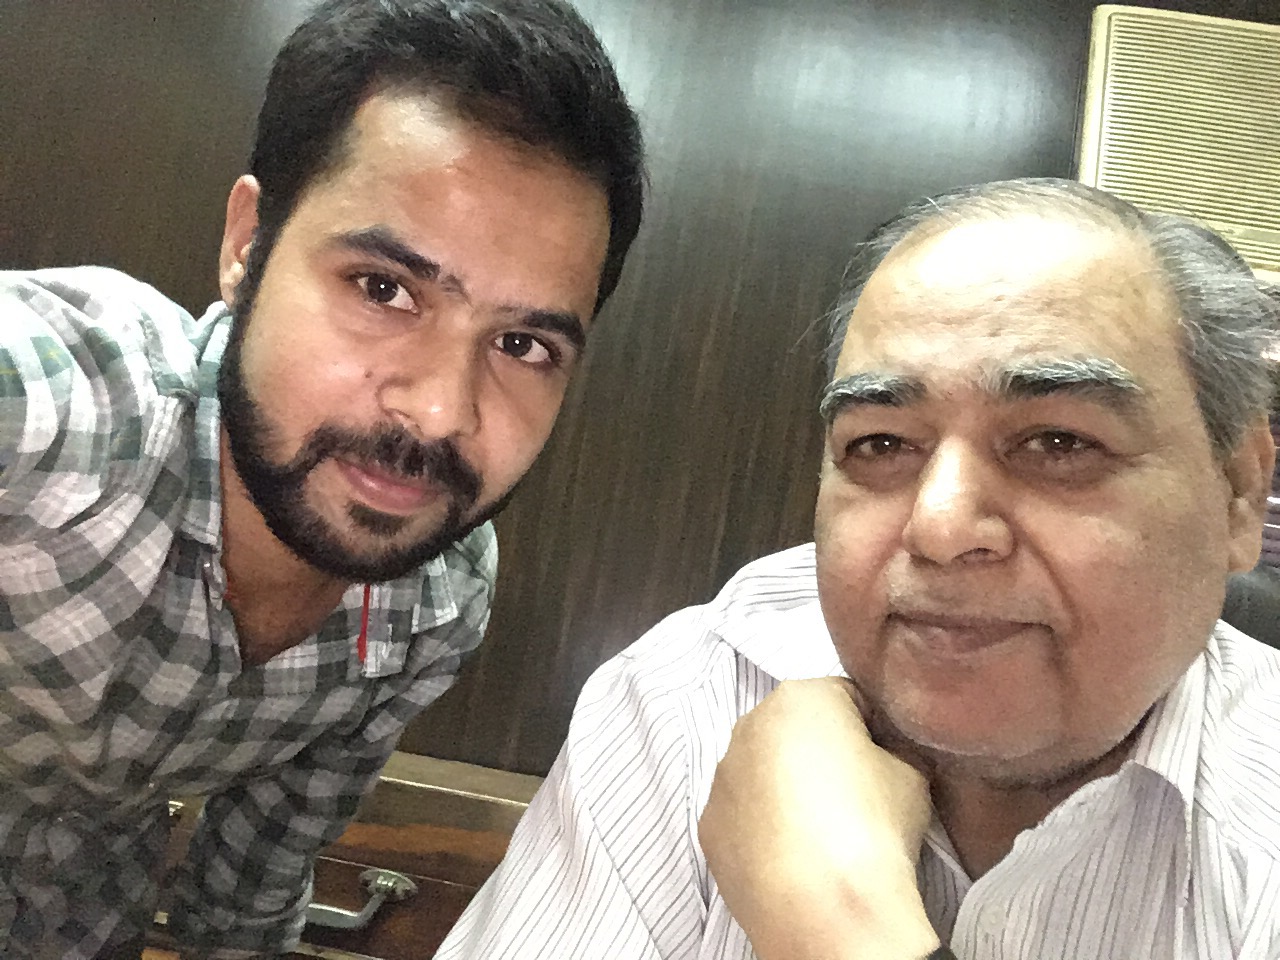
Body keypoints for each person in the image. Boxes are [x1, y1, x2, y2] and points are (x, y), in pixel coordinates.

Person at [435, 178, 1280, 960]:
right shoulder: (689, 698)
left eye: (1058, 443)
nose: (939, 527)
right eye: (879, 444)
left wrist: (840, 931)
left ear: (1239, 494)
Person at [0, 0, 644, 956]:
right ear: (247, 246)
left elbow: (251, 889)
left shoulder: (437, 598)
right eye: (384, 288)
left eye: (522, 344)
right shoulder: (75, 413)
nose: (440, 412)